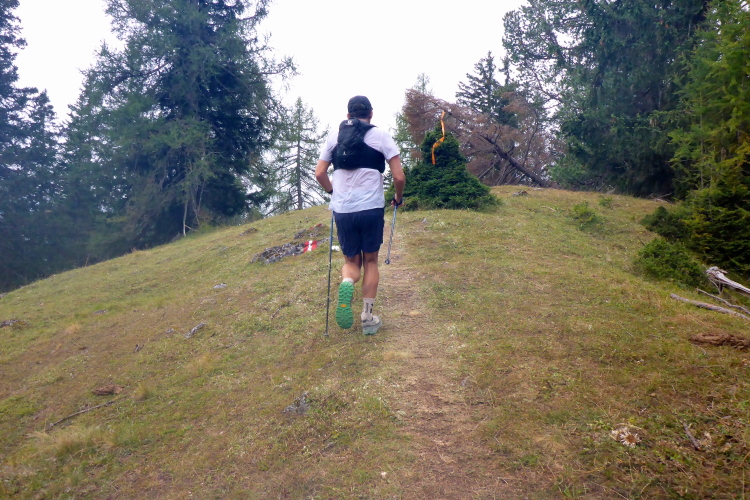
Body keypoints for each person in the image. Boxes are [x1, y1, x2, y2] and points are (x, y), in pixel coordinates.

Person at [315, 95, 406, 335]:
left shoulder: (334, 137)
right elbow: (399, 177)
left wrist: (333, 192)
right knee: (371, 261)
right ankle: (367, 316)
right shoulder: (381, 136)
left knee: (351, 262)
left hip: (343, 210)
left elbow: (320, 173)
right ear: (371, 114)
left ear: (348, 116)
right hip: (370, 208)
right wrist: (398, 197)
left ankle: (347, 282)